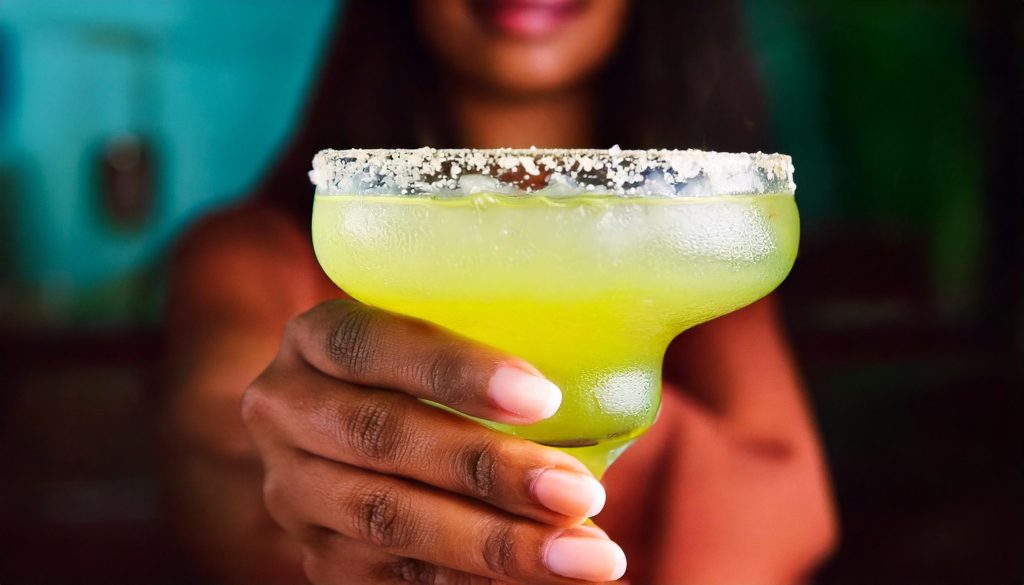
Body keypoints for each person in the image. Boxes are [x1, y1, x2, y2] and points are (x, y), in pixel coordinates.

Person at [162, 1, 837, 583]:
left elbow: (791, 506)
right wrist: (311, 489)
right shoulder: (255, 251)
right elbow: (226, 446)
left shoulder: (694, 239)